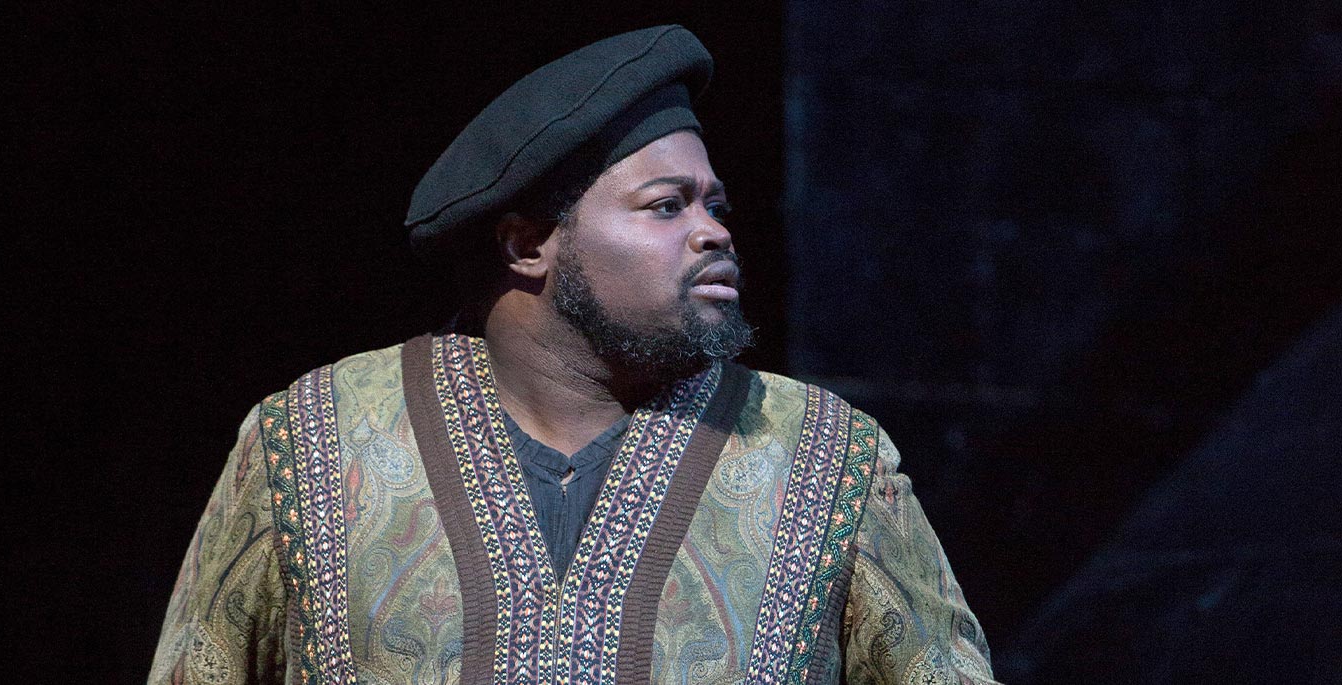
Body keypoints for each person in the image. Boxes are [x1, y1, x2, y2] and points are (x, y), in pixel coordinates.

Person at [148, 25, 996, 685]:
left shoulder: (827, 454)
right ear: (527, 245)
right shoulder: (314, 440)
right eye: (666, 205)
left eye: (716, 206)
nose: (713, 232)